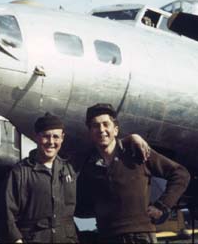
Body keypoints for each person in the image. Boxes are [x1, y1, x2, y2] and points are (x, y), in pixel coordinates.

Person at [78, 103, 191, 244]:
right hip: (108, 238)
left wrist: (162, 206)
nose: (101, 130)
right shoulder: (89, 167)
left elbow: (180, 174)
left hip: (140, 237)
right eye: (95, 126)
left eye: (106, 124)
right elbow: (81, 207)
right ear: (90, 133)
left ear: (116, 130)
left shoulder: (137, 152)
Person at [0, 113, 78, 243]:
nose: (51, 142)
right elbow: (5, 217)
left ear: (62, 138)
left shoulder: (69, 171)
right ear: (36, 137)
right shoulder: (20, 173)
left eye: (56, 137)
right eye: (46, 136)